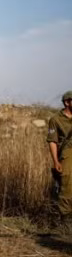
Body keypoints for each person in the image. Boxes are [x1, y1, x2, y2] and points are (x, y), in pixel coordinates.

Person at [47, 90, 72, 226]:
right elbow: (52, 141)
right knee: (67, 187)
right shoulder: (56, 120)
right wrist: (56, 161)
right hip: (67, 153)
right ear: (67, 102)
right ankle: (66, 221)